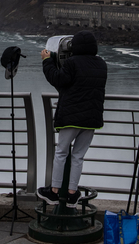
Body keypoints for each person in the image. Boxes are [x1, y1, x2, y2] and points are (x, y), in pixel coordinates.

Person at [37, 31, 106, 207]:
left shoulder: (72, 62)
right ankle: (72, 193)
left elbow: (58, 80)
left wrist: (47, 61)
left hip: (71, 117)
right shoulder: (101, 64)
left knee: (61, 153)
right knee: (78, 156)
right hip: (91, 119)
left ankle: (53, 192)